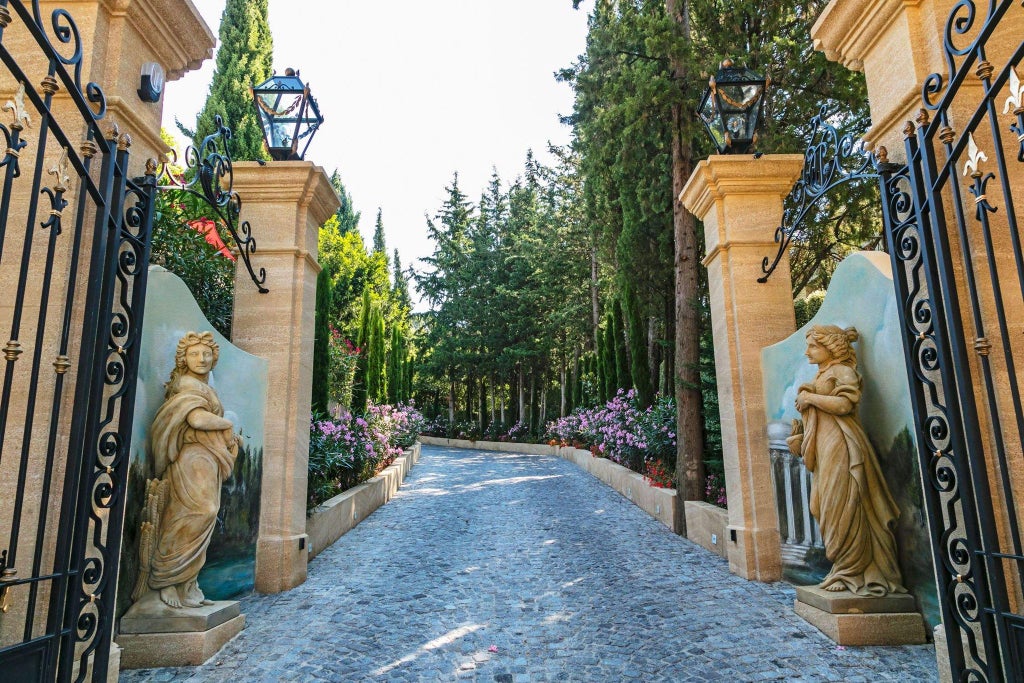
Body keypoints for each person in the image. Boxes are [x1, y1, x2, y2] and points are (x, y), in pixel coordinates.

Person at [786, 325, 906, 597]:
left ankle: (853, 570)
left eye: (813, 346)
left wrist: (809, 398)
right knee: (823, 504)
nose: (807, 351)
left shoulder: (842, 371)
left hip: (842, 444)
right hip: (826, 446)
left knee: (844, 502)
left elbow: (844, 406)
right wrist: (801, 439)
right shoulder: (824, 373)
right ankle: (842, 565)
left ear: (831, 347)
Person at [134, 331, 240, 609]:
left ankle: (188, 583)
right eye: (195, 354)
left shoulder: (206, 387)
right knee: (190, 513)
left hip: (207, 458)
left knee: (206, 513)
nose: (202, 359)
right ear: (184, 358)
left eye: (206, 354)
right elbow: (196, 418)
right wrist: (227, 426)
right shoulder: (185, 384)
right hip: (190, 458)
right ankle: (166, 580)